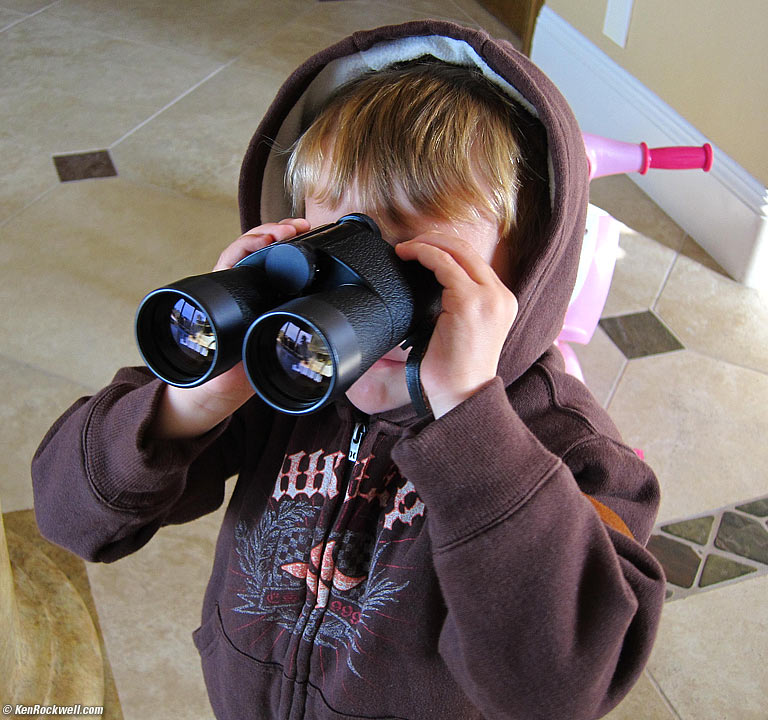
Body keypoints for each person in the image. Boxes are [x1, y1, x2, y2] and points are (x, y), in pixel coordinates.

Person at [32, 20, 666, 720]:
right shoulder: (288, 372)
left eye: (416, 263)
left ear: (531, 266)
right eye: (332, 246)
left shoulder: (576, 455)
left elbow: (558, 685)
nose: (356, 296)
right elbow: (71, 519)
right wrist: (189, 403)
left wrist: (469, 419)